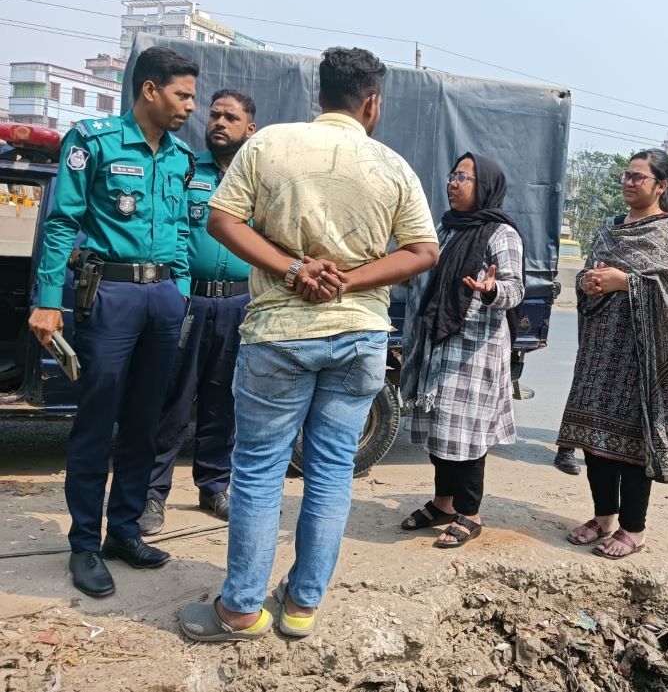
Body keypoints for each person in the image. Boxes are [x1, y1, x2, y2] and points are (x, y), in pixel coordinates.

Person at [179, 47, 439, 641]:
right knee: (330, 473)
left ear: (317, 96)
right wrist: (348, 279)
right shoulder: (393, 166)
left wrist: (296, 271)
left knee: (260, 470)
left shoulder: (268, 146)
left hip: (280, 334)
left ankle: (241, 608)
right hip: (359, 337)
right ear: (371, 102)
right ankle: (300, 607)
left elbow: (222, 220)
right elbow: (424, 251)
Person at [28, 47, 199, 598]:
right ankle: (84, 543)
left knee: (146, 422)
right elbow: (62, 223)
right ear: (150, 90)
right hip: (111, 295)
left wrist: (182, 292)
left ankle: (123, 530)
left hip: (162, 299)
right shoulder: (94, 140)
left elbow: (180, 232)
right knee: (97, 420)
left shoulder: (180, 157)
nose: (191, 106)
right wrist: (49, 298)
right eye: (183, 94)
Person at [557, 149, 668, 560]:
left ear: (660, 186)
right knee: (595, 441)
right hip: (600, 352)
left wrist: (625, 282)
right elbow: (591, 274)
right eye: (626, 176)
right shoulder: (610, 230)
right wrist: (590, 283)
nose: (629, 182)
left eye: (639, 177)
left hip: (641, 359)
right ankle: (603, 517)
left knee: (631, 446)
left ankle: (634, 528)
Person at [138, 89, 257, 535]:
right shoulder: (188, 170)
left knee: (222, 401)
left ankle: (213, 487)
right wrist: (178, 294)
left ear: (250, 129)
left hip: (240, 305)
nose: (218, 123)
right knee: (172, 399)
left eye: (231, 117)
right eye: (214, 115)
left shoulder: (259, 181)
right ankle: (153, 494)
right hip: (190, 301)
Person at [400, 153, 524, 548]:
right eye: (453, 175)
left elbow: (515, 289)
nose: (454, 183)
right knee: (441, 429)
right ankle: (443, 503)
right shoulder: (446, 227)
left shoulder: (501, 234)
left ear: (484, 185)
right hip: (438, 344)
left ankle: (469, 512)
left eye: (464, 178)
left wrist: (490, 290)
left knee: (467, 435)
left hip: (474, 351)